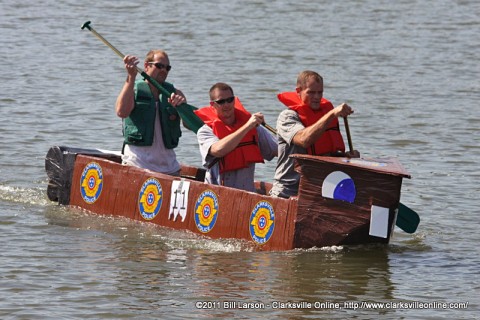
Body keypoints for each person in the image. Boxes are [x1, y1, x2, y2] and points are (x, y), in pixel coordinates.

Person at [270, 70, 360, 198]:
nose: (317, 97)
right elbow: (304, 139)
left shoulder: (325, 116)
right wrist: (332, 114)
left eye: (320, 92)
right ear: (298, 91)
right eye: (311, 92)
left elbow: (325, 154)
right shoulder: (287, 116)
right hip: (288, 190)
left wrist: (346, 157)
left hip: (315, 188)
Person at [195, 83, 277, 192]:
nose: (226, 105)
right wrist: (247, 126)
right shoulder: (205, 131)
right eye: (221, 102)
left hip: (247, 193)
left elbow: (278, 150)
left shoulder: (254, 128)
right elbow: (218, 150)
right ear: (212, 105)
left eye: (230, 100)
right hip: (216, 194)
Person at [115, 49, 186, 175]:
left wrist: (182, 108)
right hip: (138, 164)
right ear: (147, 66)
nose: (163, 70)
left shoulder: (175, 93)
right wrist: (131, 76)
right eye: (159, 66)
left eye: (167, 68)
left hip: (169, 167)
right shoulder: (133, 89)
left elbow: (190, 125)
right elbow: (121, 112)